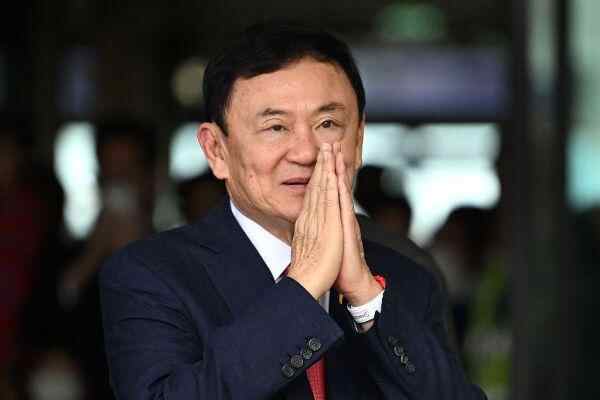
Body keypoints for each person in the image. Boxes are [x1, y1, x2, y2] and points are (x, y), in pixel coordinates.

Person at [100, 22, 486, 399]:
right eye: (276, 128)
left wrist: (366, 300)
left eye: (328, 123)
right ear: (216, 151)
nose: (305, 152)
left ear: (358, 141)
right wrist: (303, 287)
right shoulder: (150, 275)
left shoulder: (406, 276)